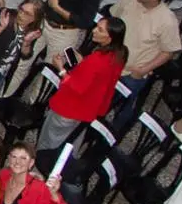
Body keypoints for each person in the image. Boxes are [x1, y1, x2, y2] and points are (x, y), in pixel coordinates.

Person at [36, 16, 128, 155]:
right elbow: (99, 78)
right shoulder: (120, 53)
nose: (94, 30)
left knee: (50, 142)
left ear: (109, 38)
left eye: (100, 30)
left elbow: (75, 86)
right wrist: (83, 63)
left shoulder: (96, 60)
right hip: (88, 108)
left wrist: (61, 69)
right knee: (71, 143)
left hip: (70, 108)